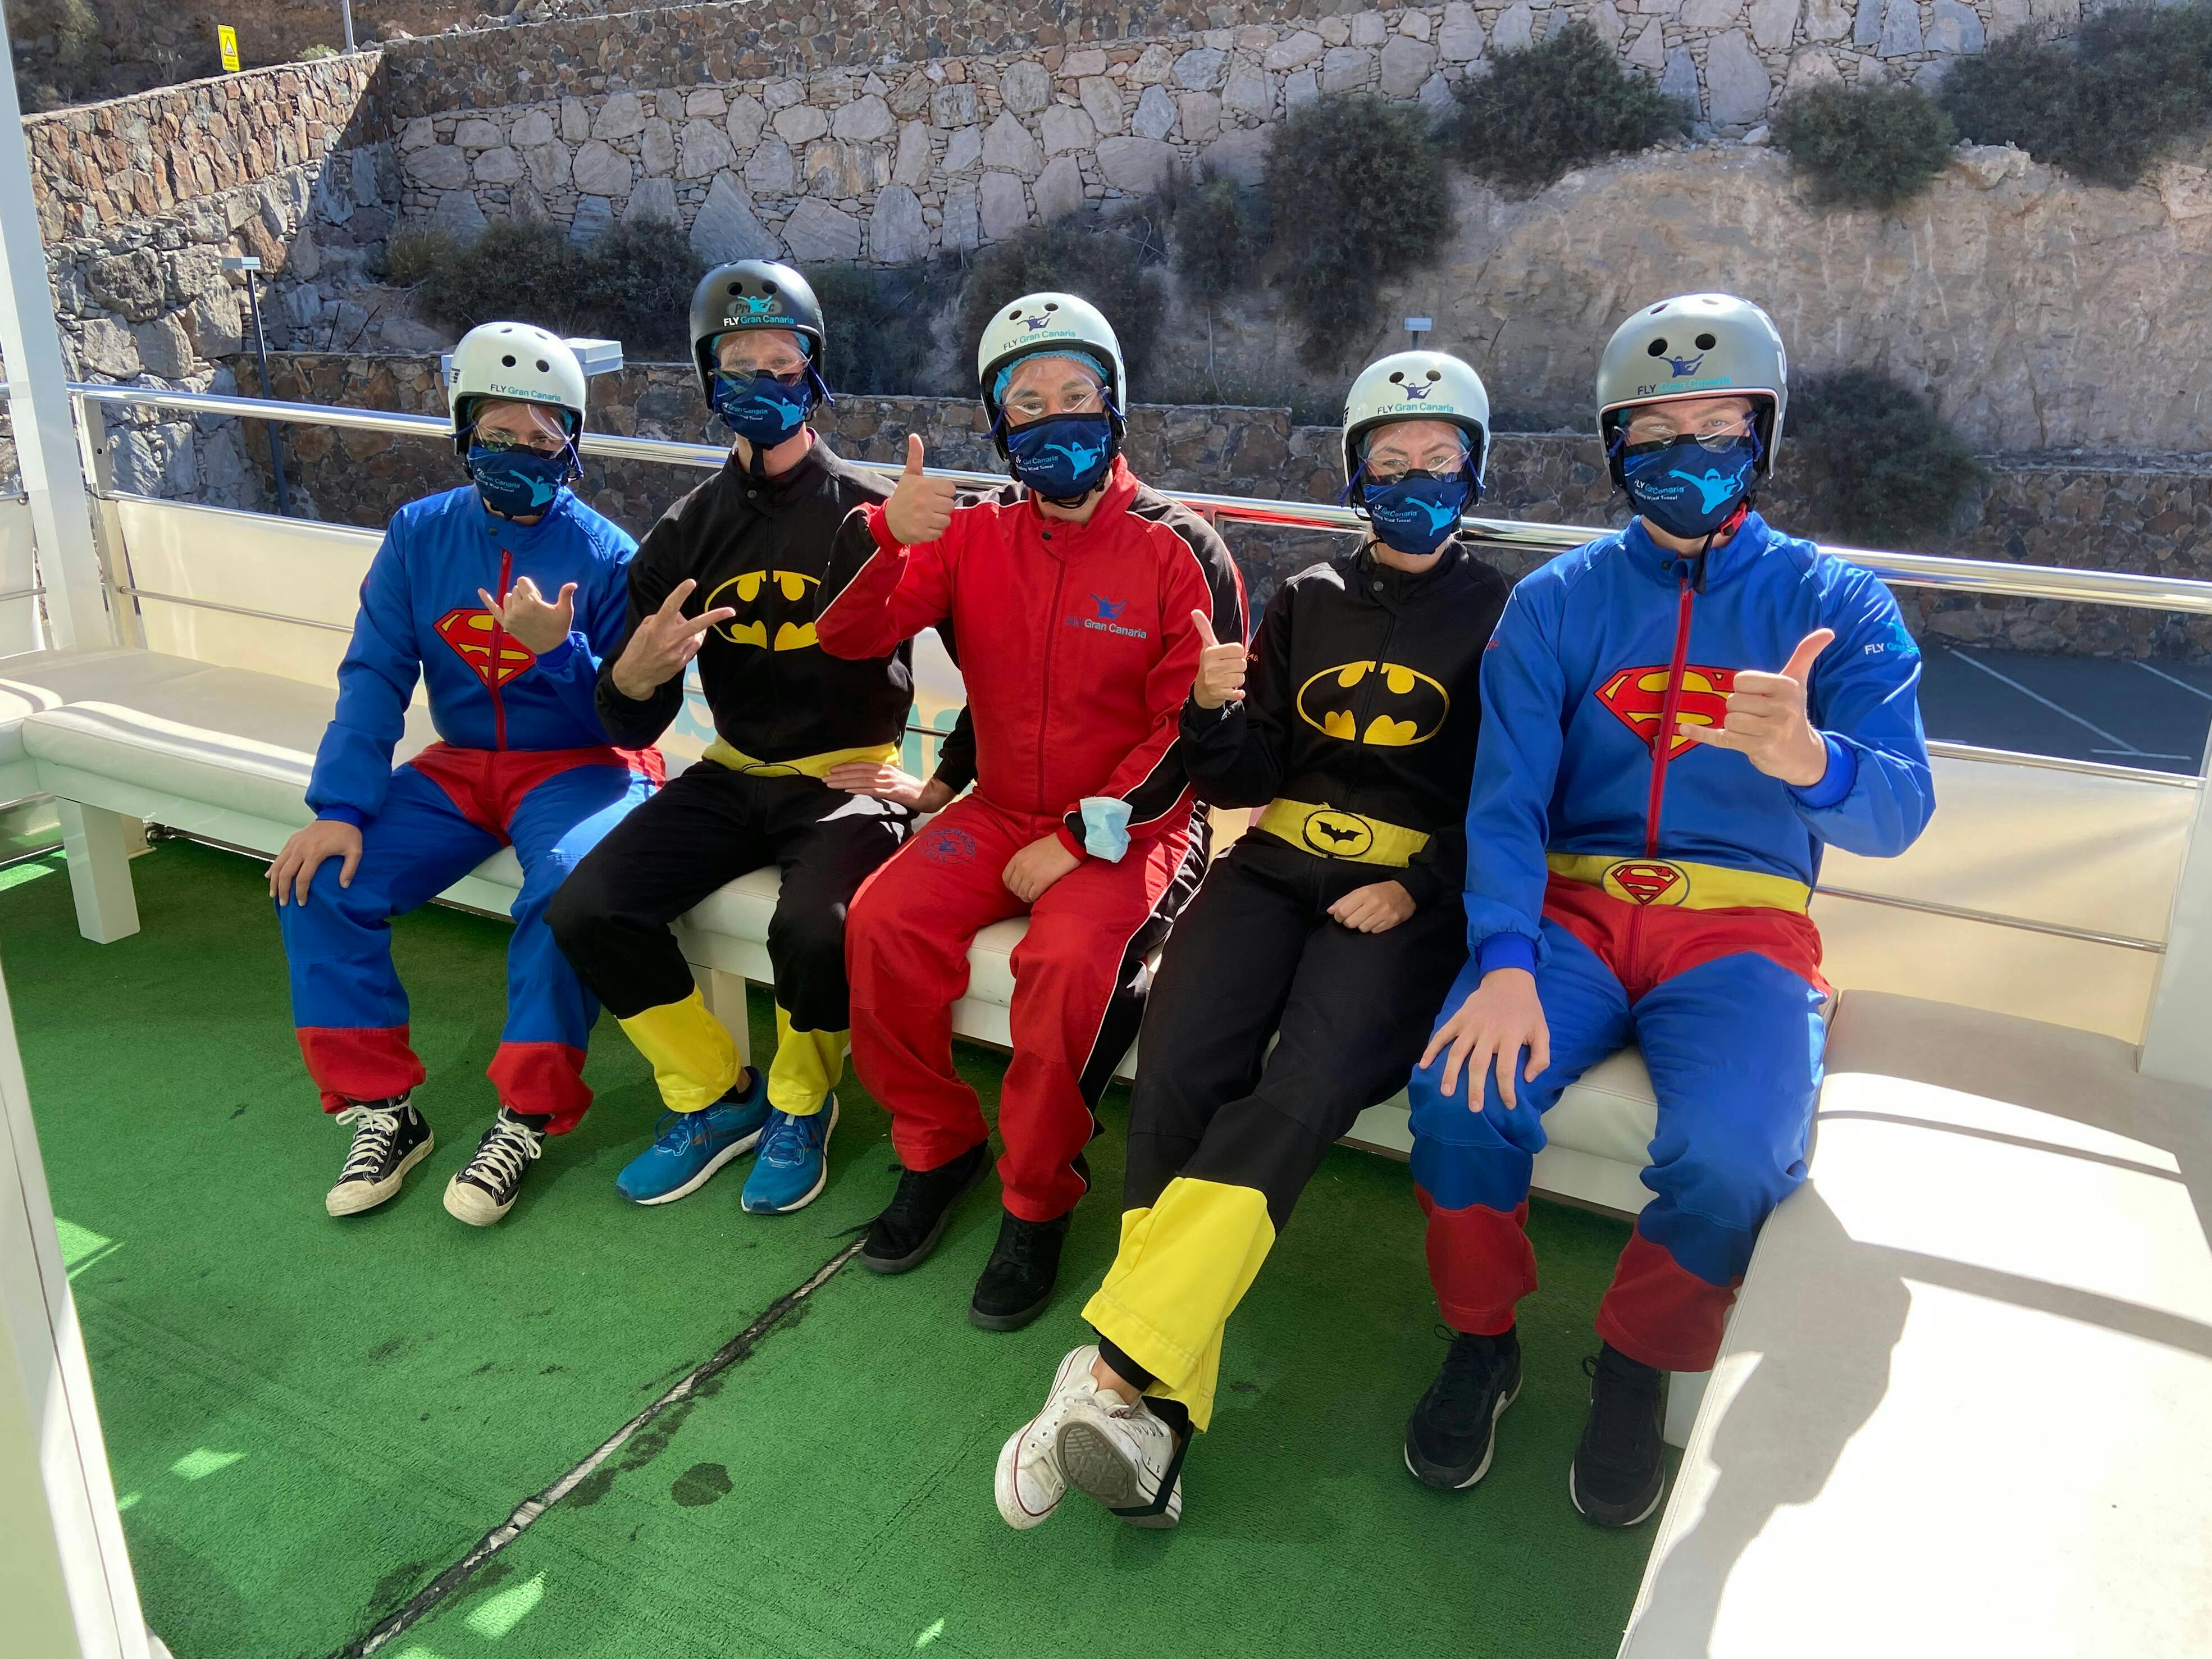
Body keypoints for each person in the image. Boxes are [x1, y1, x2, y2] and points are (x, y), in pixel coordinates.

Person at [1401, 293, 1935, 1526]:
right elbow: (1503, 804)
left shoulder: (1839, 604)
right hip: (1571, 916)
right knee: (1457, 1094)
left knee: (1735, 1155)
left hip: (1741, 933)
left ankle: (1636, 1360)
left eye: (1714, 425)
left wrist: (1813, 763)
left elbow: (1898, 812)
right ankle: (1482, 1340)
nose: (1682, 455)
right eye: (1653, 432)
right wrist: (1501, 958)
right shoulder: (1553, 605)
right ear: (1611, 447)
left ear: (1761, 433)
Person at [992, 352, 1512, 1532]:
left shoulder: (1504, 613)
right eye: (1389, 462)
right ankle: (1152, 1416)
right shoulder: (1305, 595)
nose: (1412, 481)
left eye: (1437, 462)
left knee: (1309, 1078)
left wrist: (1423, 883)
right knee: (1175, 1058)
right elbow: (1245, 775)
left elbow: (1519, 785)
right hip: (1269, 858)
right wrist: (1214, 712)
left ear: (1474, 472)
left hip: (1398, 889)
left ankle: (1117, 1378)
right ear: (1354, 473)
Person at [817, 292, 1246, 1331]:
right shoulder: (974, 537)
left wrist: (1080, 838)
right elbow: (846, 636)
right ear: (1000, 426)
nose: (1056, 419)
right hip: (999, 804)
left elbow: (1192, 731)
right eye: (1029, 403)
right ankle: (938, 1143)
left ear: (1115, 406)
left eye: (1077, 396)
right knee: (880, 923)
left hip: (1133, 830)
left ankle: (1036, 1198)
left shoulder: (1178, 546)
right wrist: (882, 532)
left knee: (1062, 971)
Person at [547, 261, 948, 1215]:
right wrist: (634, 679)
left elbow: (998, 654)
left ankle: (801, 1103)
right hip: (729, 770)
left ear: (814, 373)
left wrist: (945, 781)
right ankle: (713, 1091)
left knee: (813, 924)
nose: (761, 383)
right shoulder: (687, 529)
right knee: (587, 908)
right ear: (707, 377)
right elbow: (633, 714)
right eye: (740, 363)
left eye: (782, 363)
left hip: (843, 777)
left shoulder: (871, 509)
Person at [272, 322, 651, 1227]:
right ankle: (383, 1112)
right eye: (497, 434)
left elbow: (625, 711)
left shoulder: (609, 555)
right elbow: (374, 675)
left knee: (564, 891)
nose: (520, 452)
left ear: (573, 444)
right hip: (463, 763)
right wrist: (339, 805)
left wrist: (560, 655)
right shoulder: (417, 535)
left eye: (543, 437)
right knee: (322, 878)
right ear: (461, 431)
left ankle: (526, 1112)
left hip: (583, 762)